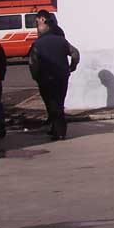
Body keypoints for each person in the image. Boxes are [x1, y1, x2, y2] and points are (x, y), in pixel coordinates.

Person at [28, 10, 80, 141]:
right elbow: (75, 53)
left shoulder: (38, 44)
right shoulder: (62, 41)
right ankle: (57, 129)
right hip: (62, 77)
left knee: (51, 104)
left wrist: (36, 76)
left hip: (46, 79)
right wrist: (72, 67)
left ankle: (59, 131)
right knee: (59, 103)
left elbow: (33, 63)